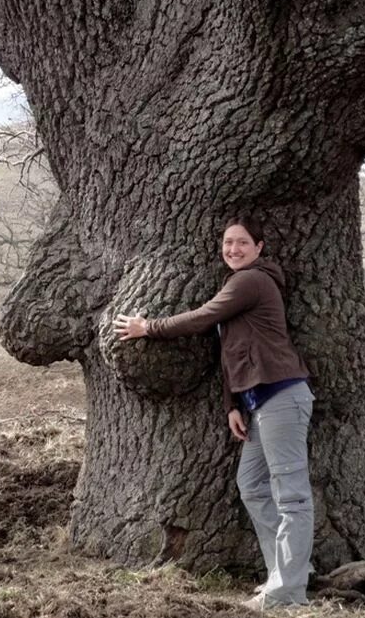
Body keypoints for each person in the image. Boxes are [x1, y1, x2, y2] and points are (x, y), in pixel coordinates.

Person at [113, 217, 314, 611]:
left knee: (291, 496)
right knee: (252, 485)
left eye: (242, 242)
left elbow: (203, 317)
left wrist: (148, 327)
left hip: (283, 396)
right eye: (227, 243)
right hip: (259, 403)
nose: (233, 249)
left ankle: (289, 591)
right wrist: (232, 405)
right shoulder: (238, 284)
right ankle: (284, 575)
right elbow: (229, 353)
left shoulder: (251, 281)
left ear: (259, 247)